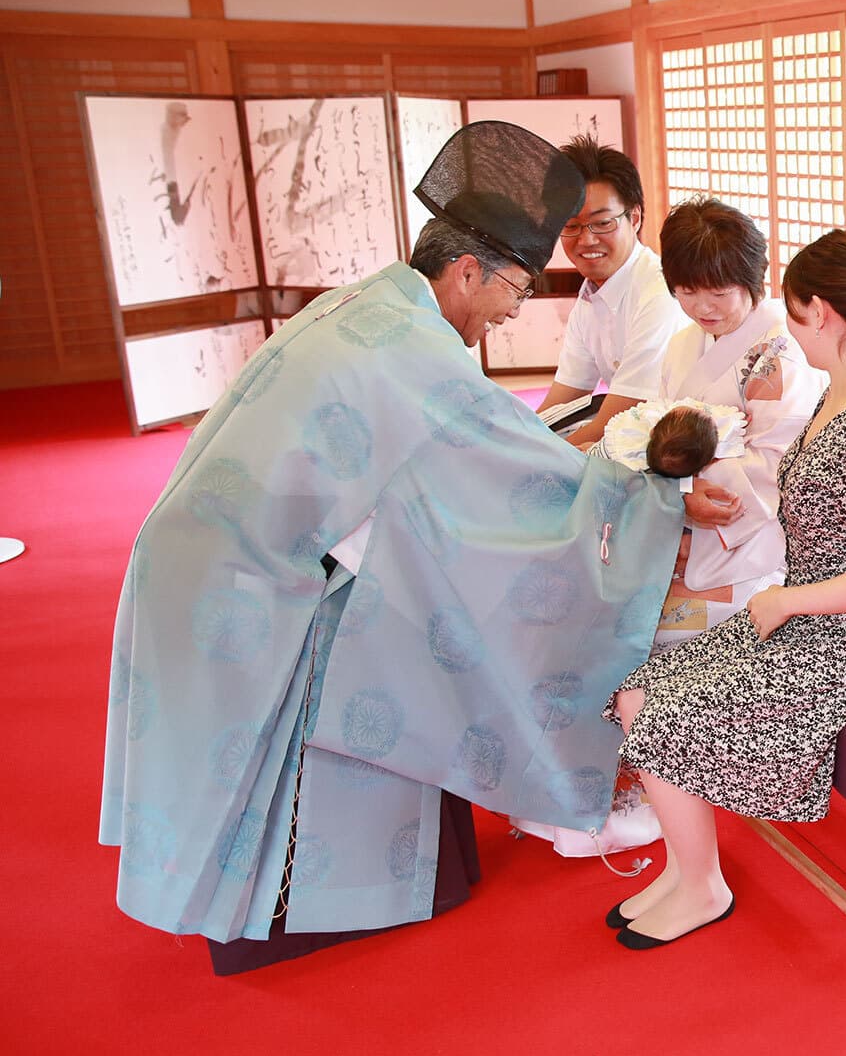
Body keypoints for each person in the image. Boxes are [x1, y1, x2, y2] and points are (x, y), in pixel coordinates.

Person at [99, 122, 686, 972]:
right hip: (249, 579)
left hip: (215, 547)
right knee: (382, 648)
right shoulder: (417, 351)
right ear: (467, 271)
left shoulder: (375, 301)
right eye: (513, 292)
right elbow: (517, 469)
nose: (513, 312)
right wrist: (648, 492)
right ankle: (308, 903)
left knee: (407, 607)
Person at [604, 229, 846, 948]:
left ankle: (702, 887)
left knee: (662, 708)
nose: (787, 328)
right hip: (810, 607)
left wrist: (786, 599)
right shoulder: (831, 397)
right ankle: (685, 869)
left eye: (793, 312)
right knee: (638, 690)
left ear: (821, 312)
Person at [642, 197, 824, 645]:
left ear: (751, 280)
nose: (704, 308)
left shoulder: (779, 353)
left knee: (661, 639)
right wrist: (675, 492)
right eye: (686, 292)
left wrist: (687, 492)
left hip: (745, 538)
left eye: (719, 292)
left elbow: (773, 464)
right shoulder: (684, 343)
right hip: (679, 516)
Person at [537, 136, 687, 448]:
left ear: (634, 218)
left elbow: (617, 420)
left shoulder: (658, 293)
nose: (586, 240)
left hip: (678, 449)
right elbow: (564, 396)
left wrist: (537, 455)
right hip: (633, 437)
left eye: (601, 223)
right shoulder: (590, 294)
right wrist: (519, 438)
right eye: (571, 226)